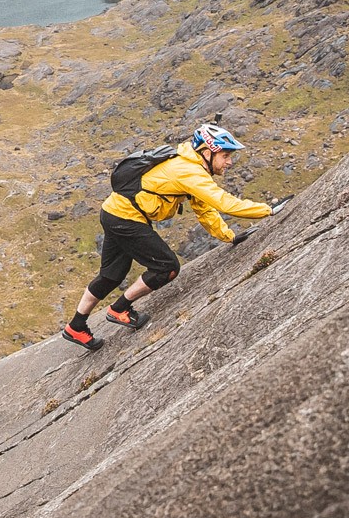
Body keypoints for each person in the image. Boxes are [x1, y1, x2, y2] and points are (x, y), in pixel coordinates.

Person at [62, 123, 274, 350]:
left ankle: (76, 326)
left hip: (113, 211)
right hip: (126, 217)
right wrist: (269, 210)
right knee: (167, 267)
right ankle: (120, 309)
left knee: (112, 275)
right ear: (207, 152)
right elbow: (224, 203)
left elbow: (205, 209)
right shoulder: (189, 172)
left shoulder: (189, 165)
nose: (229, 162)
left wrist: (228, 236)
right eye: (225, 155)